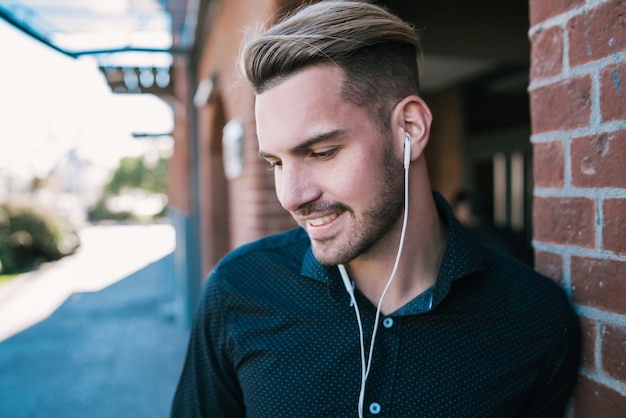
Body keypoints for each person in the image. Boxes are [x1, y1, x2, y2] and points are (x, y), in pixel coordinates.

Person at [171, 1, 581, 417]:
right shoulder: (239, 290)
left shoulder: (535, 320)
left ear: (410, 129)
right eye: (276, 163)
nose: (291, 196)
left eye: (322, 152)